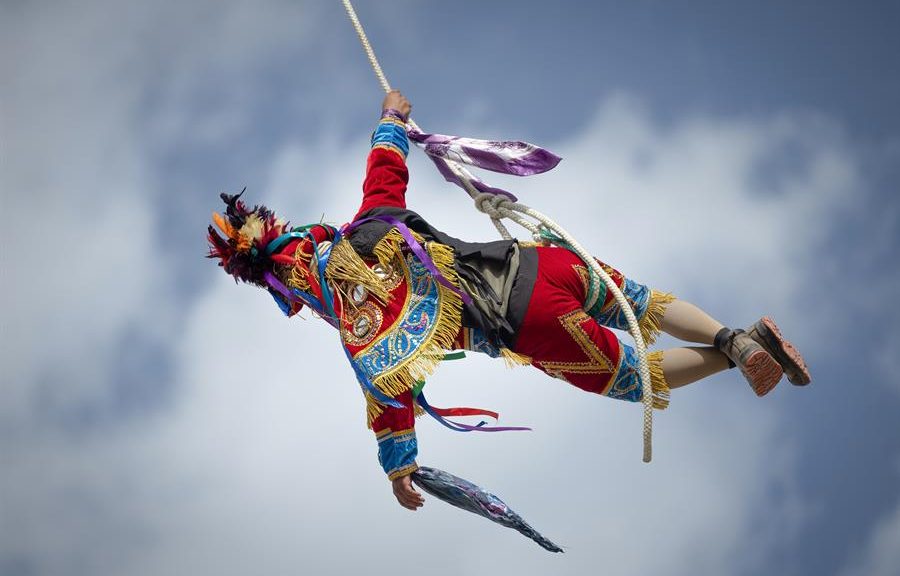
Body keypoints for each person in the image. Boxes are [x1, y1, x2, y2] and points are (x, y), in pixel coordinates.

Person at [207, 90, 811, 511]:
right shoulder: (366, 227)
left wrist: (399, 467)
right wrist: (390, 118)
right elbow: (384, 172)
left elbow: (387, 395)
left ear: (289, 292)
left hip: (530, 324)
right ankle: (734, 334)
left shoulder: (362, 329)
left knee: (640, 379)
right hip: (536, 260)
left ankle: (739, 355)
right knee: (638, 300)